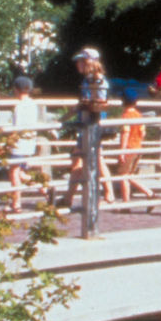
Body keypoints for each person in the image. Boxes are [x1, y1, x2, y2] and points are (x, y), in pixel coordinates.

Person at [61, 48, 112, 214]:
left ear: (88, 62)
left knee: (92, 158)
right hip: (85, 124)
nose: (77, 64)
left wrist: (85, 104)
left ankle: (108, 193)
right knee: (82, 159)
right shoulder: (86, 81)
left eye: (81, 61)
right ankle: (68, 196)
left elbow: (100, 102)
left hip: (92, 125)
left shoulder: (98, 80)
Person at [109, 83, 157, 204]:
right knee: (129, 175)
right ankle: (149, 194)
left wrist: (122, 152)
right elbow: (143, 133)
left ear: (123, 101)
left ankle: (127, 203)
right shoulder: (138, 115)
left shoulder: (126, 116)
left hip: (129, 149)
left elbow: (125, 133)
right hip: (138, 148)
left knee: (123, 176)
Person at [5, 75, 43, 214]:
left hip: (19, 143)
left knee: (14, 172)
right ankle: (43, 188)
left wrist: (10, 141)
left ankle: (16, 203)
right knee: (21, 173)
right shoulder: (33, 104)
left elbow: (17, 127)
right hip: (29, 141)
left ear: (16, 89)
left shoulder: (18, 106)